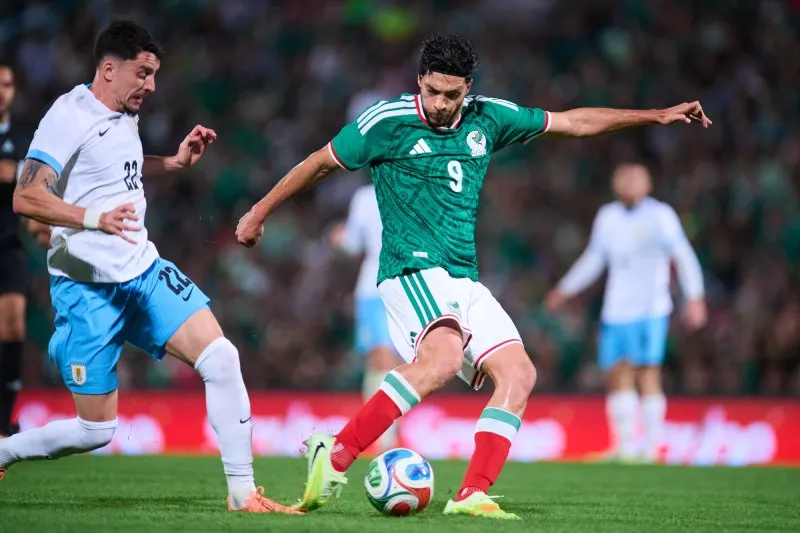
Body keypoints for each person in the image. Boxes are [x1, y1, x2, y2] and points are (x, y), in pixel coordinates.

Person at [236, 33, 711, 520]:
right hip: (411, 269)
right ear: (420, 80)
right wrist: (257, 212)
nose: (441, 104)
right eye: (433, 91)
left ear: (468, 88)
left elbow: (574, 123)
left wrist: (654, 115)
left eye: (452, 94)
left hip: (464, 278)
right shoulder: (386, 121)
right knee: (440, 362)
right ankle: (334, 452)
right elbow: (319, 163)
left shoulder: (490, 116)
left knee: (520, 375)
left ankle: (471, 495)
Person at [0, 21, 301, 515]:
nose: (152, 85)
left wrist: (175, 163)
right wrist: (93, 219)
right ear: (109, 69)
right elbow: (26, 195)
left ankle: (243, 494)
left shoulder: (122, 113)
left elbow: (117, 165)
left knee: (222, 359)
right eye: (143, 73)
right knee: (95, 430)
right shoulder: (68, 114)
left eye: (155, 74)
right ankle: (6, 450)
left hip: (142, 271)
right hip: (86, 288)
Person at [545, 162, 707, 463]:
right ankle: (623, 447)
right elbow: (594, 258)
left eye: (636, 178)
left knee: (647, 372)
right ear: (614, 183)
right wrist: (565, 289)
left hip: (650, 307)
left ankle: (651, 447)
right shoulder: (608, 217)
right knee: (617, 372)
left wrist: (695, 297)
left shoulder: (661, 215)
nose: (630, 183)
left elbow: (683, 256)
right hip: (616, 310)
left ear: (648, 184)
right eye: (624, 178)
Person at [329, 183, 403, 452]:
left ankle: (382, 436)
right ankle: (382, 439)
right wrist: (342, 239)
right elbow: (353, 244)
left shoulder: (412, 185)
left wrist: (340, 239)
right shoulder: (365, 195)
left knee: (393, 362)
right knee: (380, 360)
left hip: (406, 286)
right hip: (373, 286)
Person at [0, 59, 50, 438]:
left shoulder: (22, 136)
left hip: (7, 243)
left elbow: (29, 192)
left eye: (8, 84)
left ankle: (4, 421)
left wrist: (40, 227)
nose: (3, 91)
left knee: (14, 324)